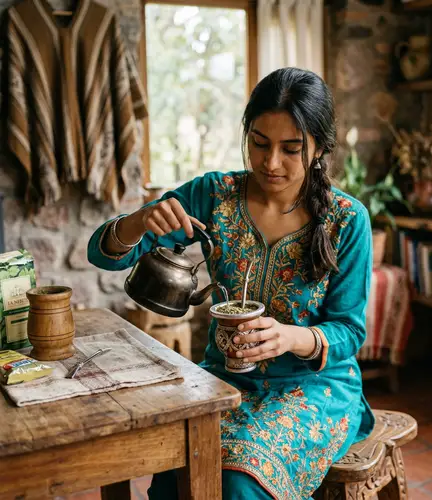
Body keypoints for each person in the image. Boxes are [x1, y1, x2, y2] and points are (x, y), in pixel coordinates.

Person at [87, 67, 375, 500]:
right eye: (259, 143)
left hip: (315, 388)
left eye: (290, 149)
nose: (270, 162)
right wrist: (139, 220)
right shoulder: (213, 196)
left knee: (238, 482)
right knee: (169, 477)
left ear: (319, 146)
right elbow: (102, 254)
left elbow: (350, 332)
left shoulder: (347, 220)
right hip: (224, 380)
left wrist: (289, 337)